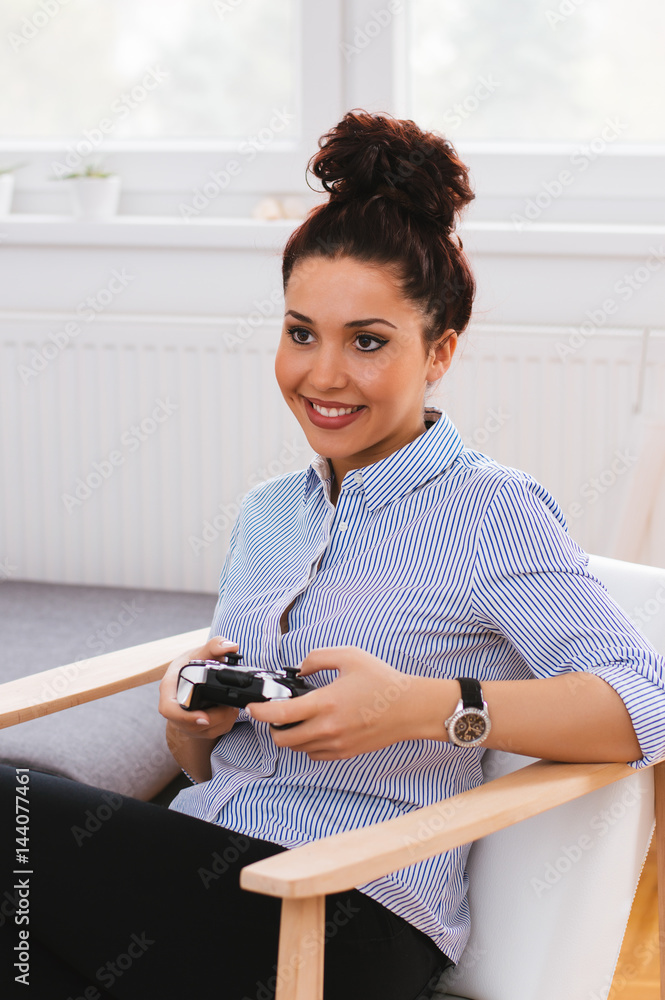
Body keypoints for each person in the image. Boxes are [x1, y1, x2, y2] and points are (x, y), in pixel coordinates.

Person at [2, 110, 664, 1000]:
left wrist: (424, 707)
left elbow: (642, 708)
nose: (322, 375)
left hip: (346, 912)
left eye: (368, 341)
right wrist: (190, 731)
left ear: (439, 352)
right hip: (212, 875)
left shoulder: (490, 509)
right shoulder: (270, 514)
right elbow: (223, 769)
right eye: (301, 331)